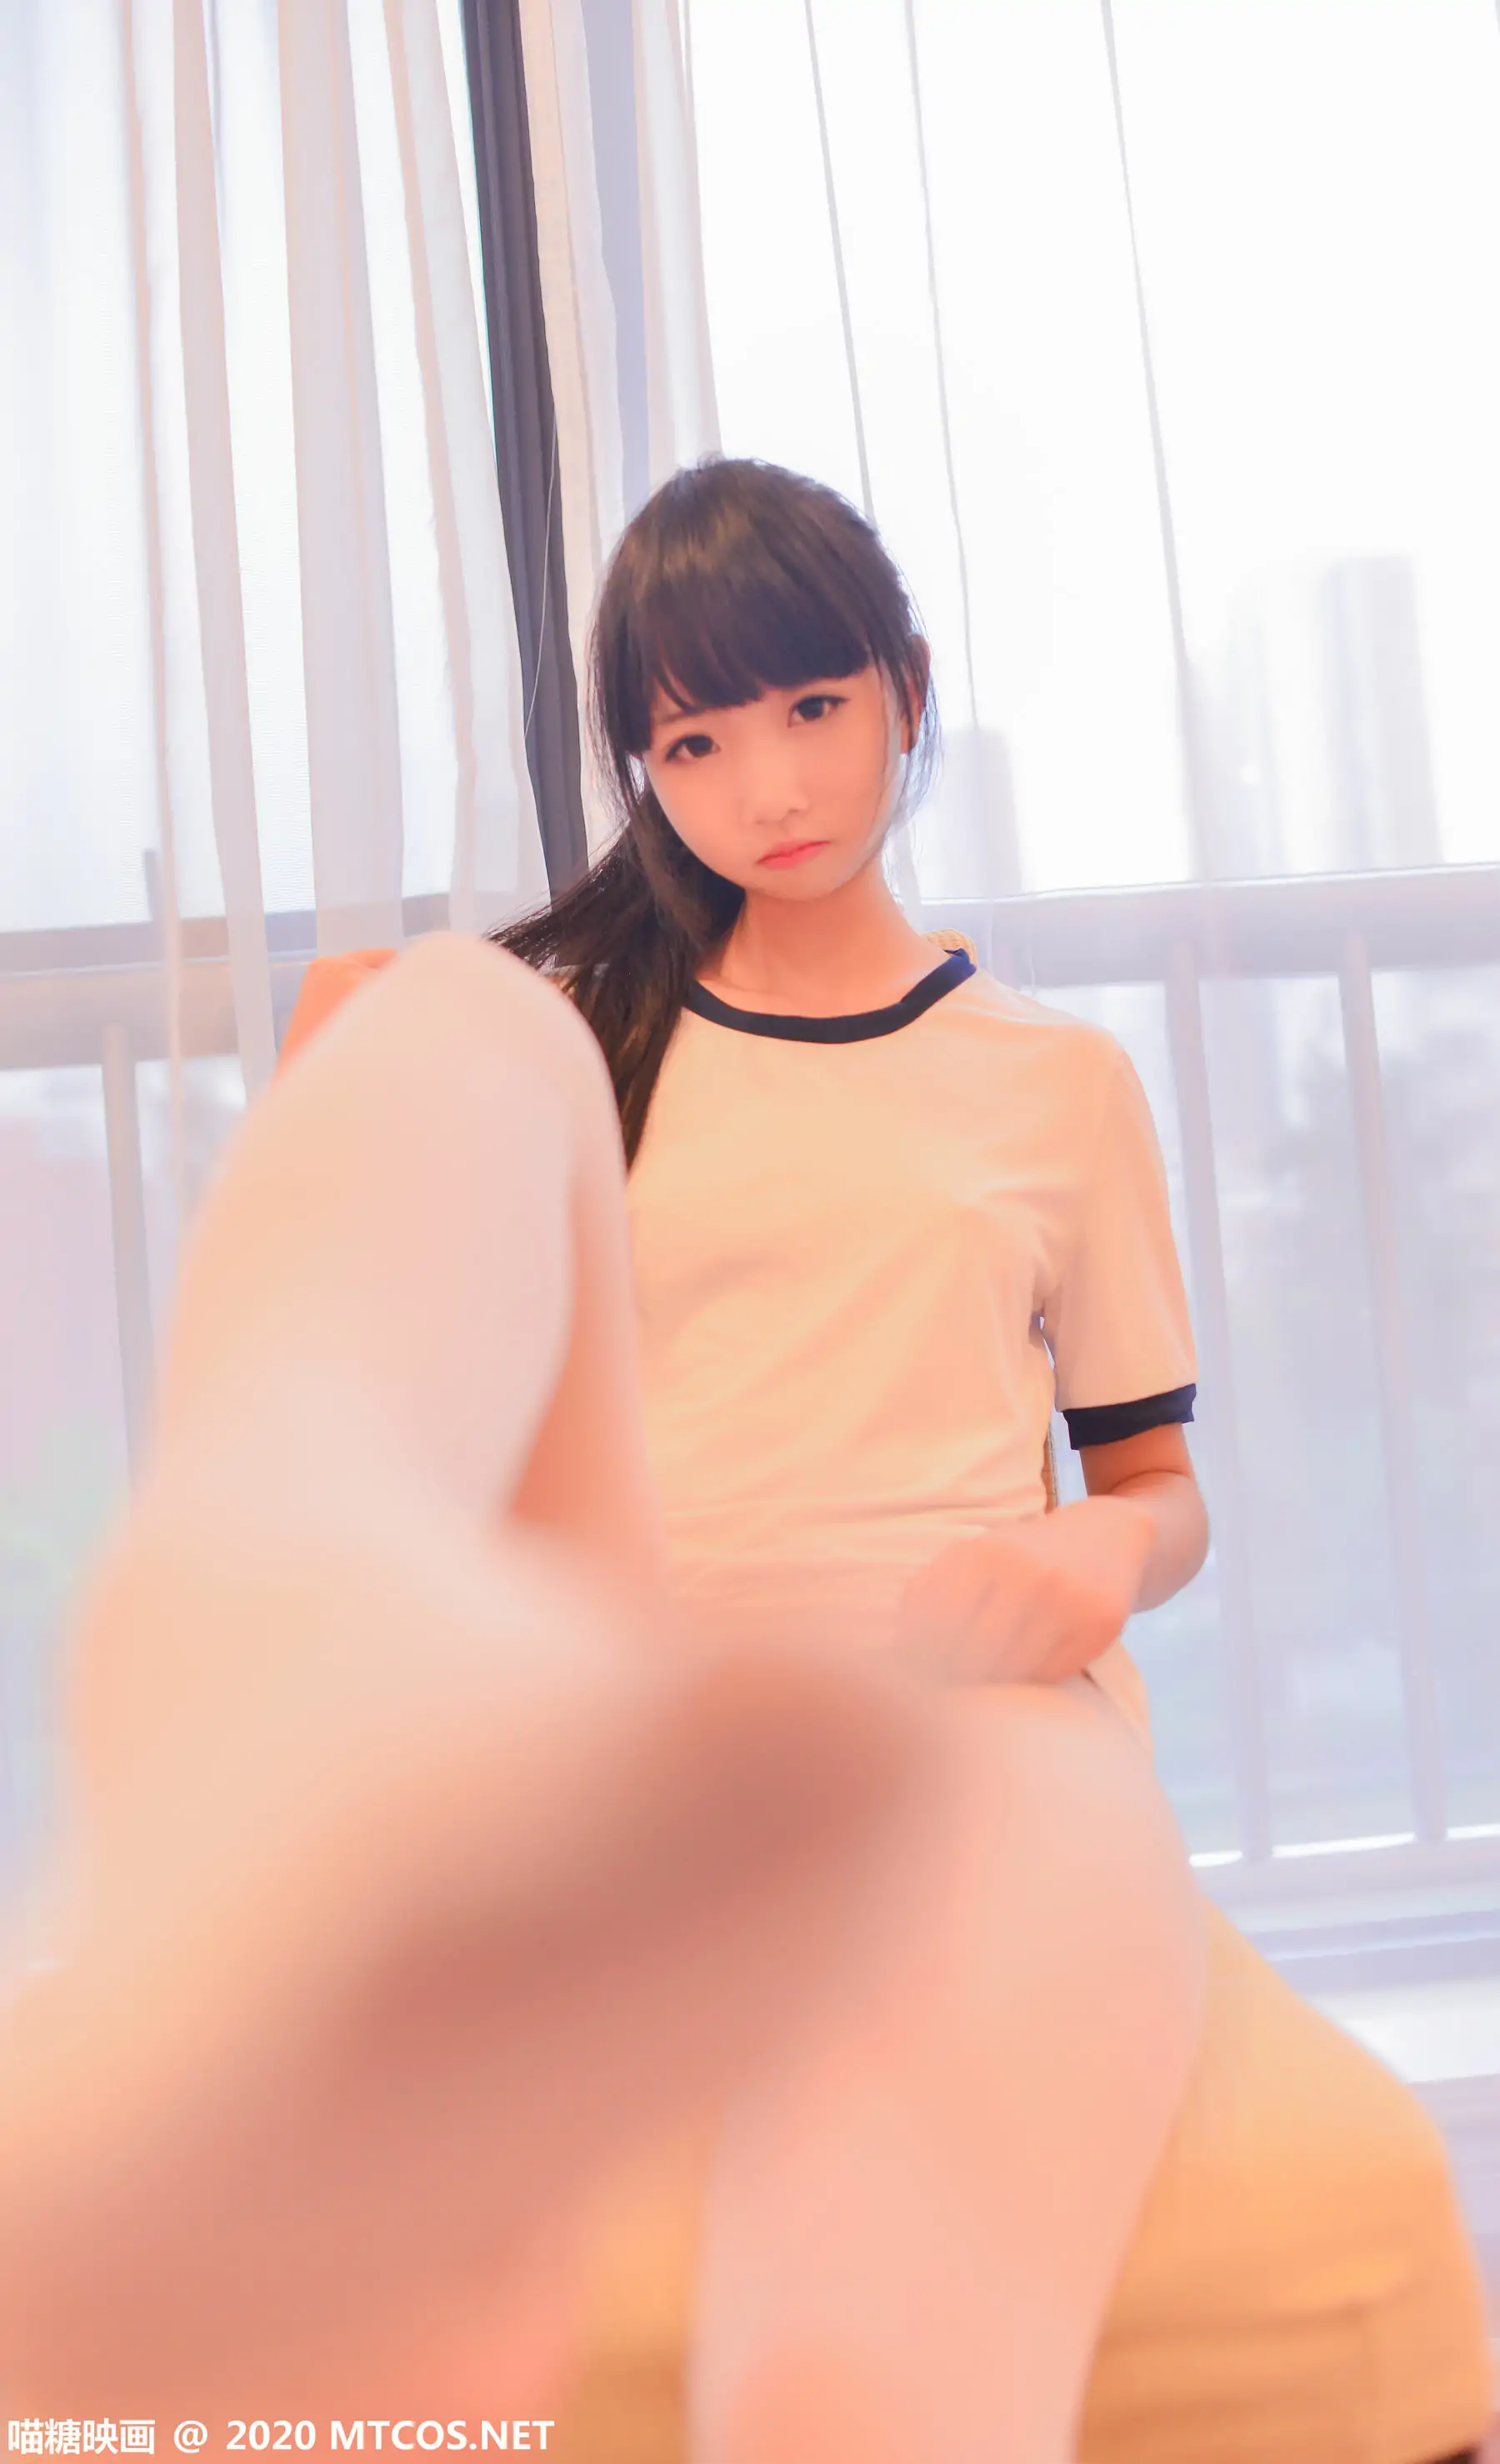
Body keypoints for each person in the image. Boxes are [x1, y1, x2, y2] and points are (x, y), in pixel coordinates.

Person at [280, 461, 1492, 2463]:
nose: (770, 784)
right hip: (675, 1723)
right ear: (642, 769)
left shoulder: (1054, 1081)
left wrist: (1104, 1556)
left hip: (986, 1710)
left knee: (910, 2038)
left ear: (908, 690)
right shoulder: (585, 1044)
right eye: (696, 740)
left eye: (815, 706)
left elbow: (1155, 1485)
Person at [0, 934, 948, 2424]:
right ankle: (321, 1651)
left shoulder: (1012, 1080)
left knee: (464, 1034)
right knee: (474, 1023)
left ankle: (309, 1653)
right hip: (516, 1643)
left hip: (454, 1632)